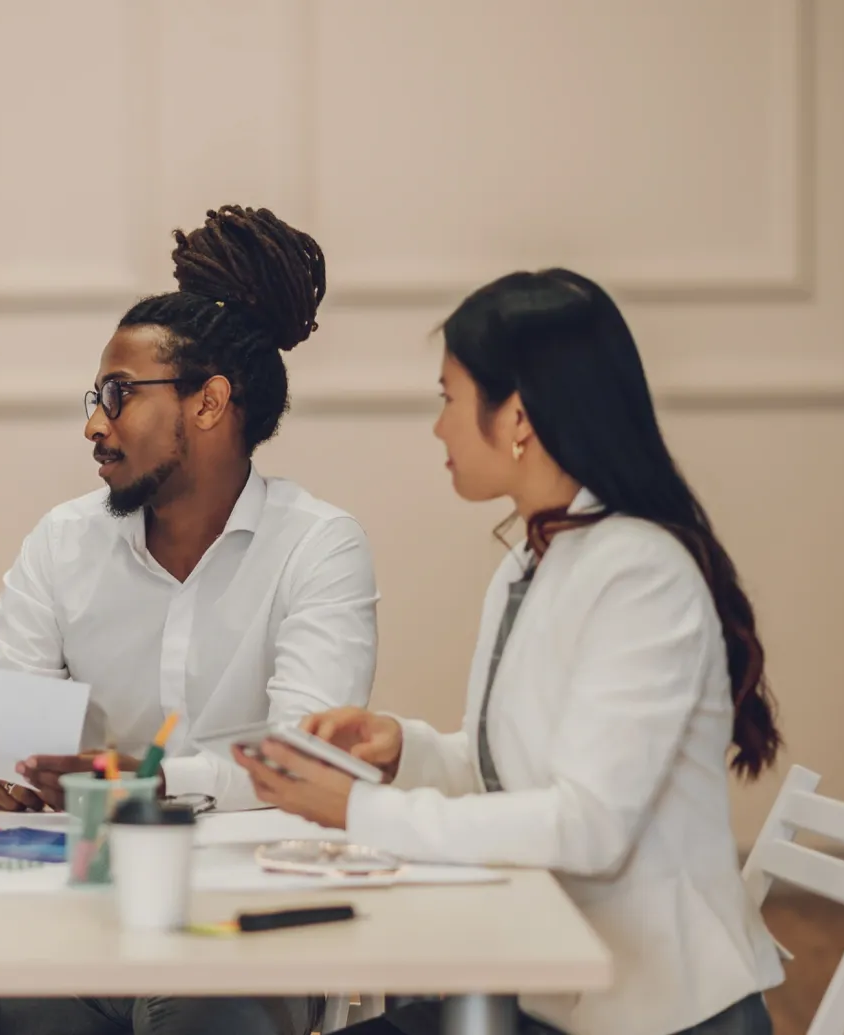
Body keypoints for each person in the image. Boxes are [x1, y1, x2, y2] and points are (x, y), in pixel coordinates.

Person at [236, 269, 784, 1035]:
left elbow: (587, 824)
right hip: (545, 985)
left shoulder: (639, 573)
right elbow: (518, 774)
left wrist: (361, 807)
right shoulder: (534, 559)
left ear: (517, 416)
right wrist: (405, 752)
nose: (438, 428)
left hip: (650, 1010)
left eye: (448, 399)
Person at [0, 206, 378, 1035]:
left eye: (118, 395)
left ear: (209, 403)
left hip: (242, 920)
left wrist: (155, 780)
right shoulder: (65, 541)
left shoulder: (319, 548)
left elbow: (307, 761)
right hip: (76, 915)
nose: (95, 424)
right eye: (95, 397)